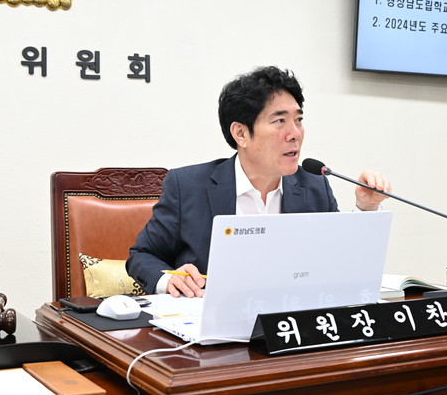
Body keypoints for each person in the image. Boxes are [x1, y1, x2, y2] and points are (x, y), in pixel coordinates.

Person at [126, 66, 391, 297]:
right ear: (241, 133)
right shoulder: (188, 186)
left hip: (289, 323)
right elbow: (142, 256)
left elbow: (339, 261)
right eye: (280, 121)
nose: (295, 134)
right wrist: (169, 280)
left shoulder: (314, 185)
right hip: (211, 323)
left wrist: (366, 208)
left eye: (299, 120)